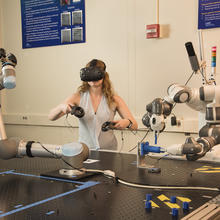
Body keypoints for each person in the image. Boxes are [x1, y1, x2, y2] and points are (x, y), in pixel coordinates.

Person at [48, 59, 138, 150]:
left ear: (103, 75)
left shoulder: (114, 99)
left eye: (96, 74)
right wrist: (61, 107)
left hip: (109, 152)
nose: (93, 80)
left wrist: (127, 122)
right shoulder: (77, 97)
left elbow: (135, 125)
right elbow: (51, 117)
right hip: (85, 151)